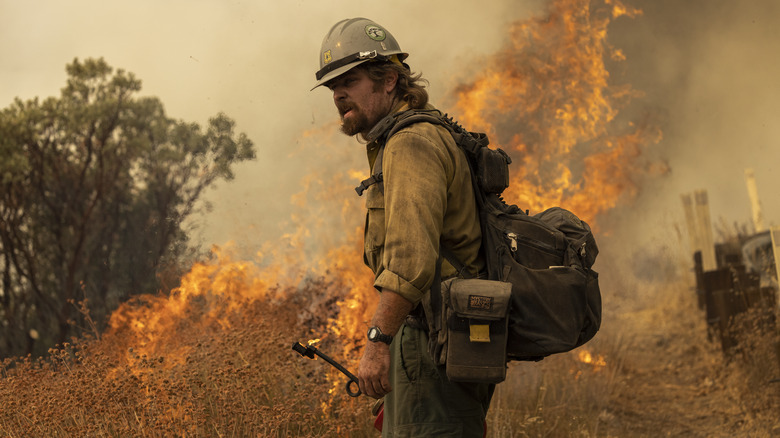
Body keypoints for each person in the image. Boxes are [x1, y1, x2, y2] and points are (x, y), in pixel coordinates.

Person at [313, 17, 494, 437]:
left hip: (431, 338)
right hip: (443, 333)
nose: (338, 94)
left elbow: (412, 261)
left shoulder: (410, 143)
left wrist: (378, 341)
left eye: (350, 81)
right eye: (332, 87)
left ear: (389, 79)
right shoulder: (413, 135)